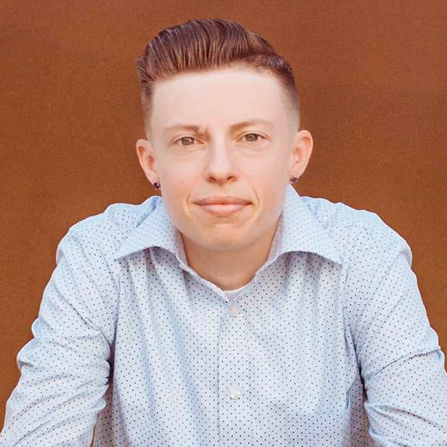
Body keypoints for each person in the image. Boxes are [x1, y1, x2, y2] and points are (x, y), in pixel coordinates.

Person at [1, 18, 446, 447]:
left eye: (250, 137)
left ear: (296, 155)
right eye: (187, 141)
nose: (219, 169)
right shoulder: (98, 256)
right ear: (152, 162)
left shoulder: (366, 254)